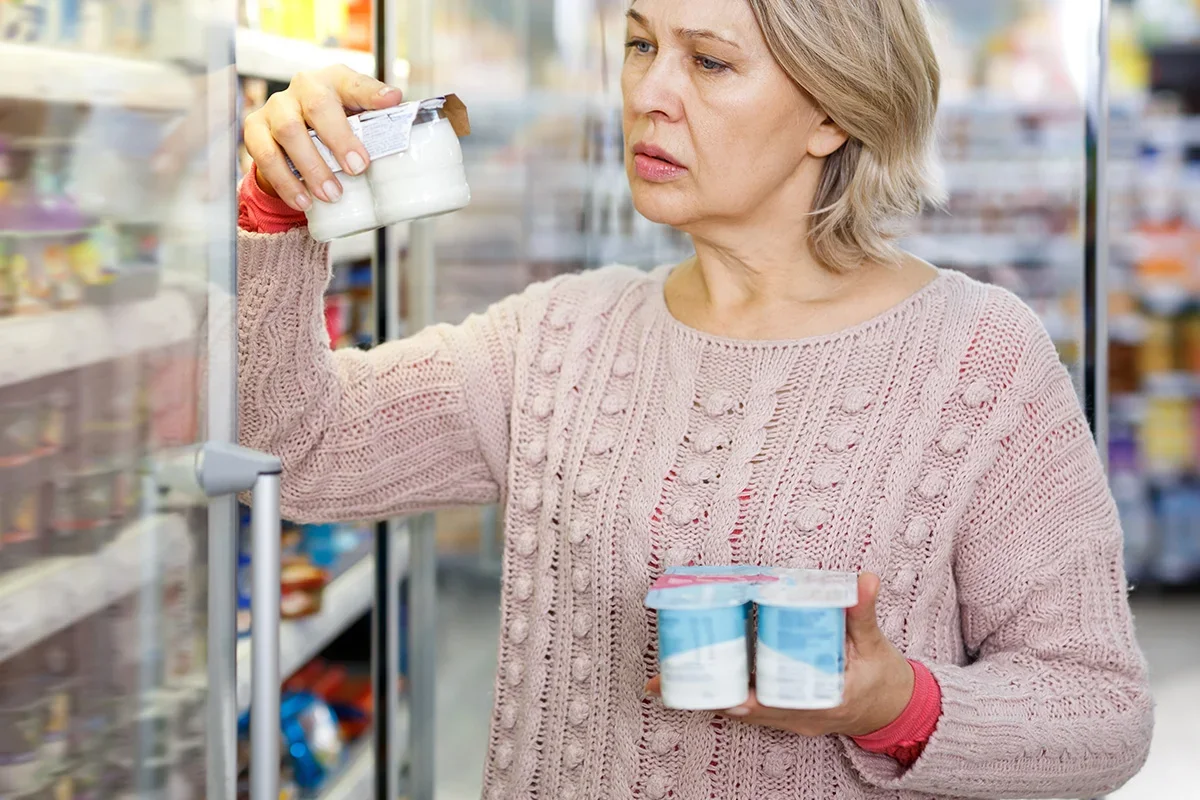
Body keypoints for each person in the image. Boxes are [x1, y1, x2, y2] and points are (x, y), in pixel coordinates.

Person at [237, 0, 1154, 797]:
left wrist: (895, 705)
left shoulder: (978, 361)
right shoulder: (557, 340)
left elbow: (1101, 710)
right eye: (641, 46)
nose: (649, 95)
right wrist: (276, 216)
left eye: (709, 61)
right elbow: (294, 453)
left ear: (831, 109)